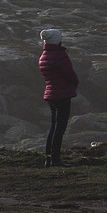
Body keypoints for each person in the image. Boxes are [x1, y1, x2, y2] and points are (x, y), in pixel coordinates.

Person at [38, 28, 78, 168]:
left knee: (53, 127)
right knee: (59, 128)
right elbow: (71, 75)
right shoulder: (60, 55)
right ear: (57, 40)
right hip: (62, 95)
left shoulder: (44, 55)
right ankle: (55, 160)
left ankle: (48, 158)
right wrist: (74, 84)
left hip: (50, 94)